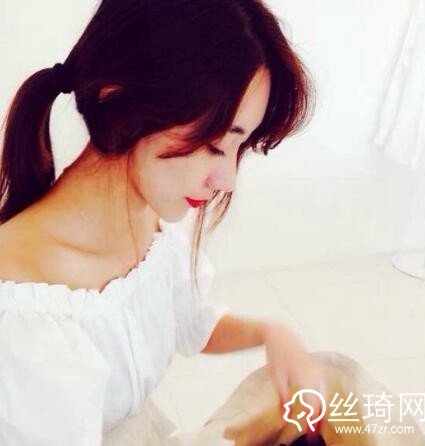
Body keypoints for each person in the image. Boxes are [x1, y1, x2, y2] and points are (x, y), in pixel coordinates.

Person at [0, 0, 323, 444]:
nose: (227, 179)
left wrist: (272, 333)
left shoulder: (151, 220)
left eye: (240, 146)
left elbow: (187, 321)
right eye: (215, 144)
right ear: (120, 104)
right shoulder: (25, 316)